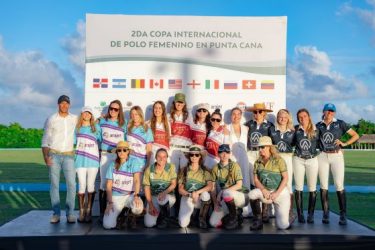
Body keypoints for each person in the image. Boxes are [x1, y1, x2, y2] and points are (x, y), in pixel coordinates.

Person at [316, 103, 359, 225]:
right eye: (327, 110)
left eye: (331, 111)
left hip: (337, 155)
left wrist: (344, 144)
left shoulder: (340, 123)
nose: (329, 113)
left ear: (334, 112)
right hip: (323, 155)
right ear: (323, 111)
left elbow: (355, 135)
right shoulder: (318, 125)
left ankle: (343, 214)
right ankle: (326, 213)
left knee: (339, 185)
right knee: (323, 185)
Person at [41, 95, 78, 223]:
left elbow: (87, 122)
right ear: (58, 104)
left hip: (69, 155)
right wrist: (46, 157)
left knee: (72, 185)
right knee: (54, 185)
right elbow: (45, 139)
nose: (64, 105)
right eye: (62, 103)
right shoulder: (51, 119)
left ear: (69, 105)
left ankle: (70, 214)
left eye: (66, 103)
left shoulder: (74, 118)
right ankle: (56, 214)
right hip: (54, 155)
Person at [249, 136, 290, 230]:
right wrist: (263, 190)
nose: (260, 149)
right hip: (266, 194)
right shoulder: (257, 162)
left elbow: (285, 178)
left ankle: (289, 218)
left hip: (280, 193)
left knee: (283, 226)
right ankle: (258, 221)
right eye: (259, 147)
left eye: (263, 147)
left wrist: (277, 193)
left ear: (269, 147)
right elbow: (256, 180)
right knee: (252, 194)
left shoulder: (279, 160)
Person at [103, 141, 144, 229]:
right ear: (117, 152)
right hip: (116, 197)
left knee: (138, 208)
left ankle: (129, 216)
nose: (122, 152)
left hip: (129, 195)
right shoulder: (112, 165)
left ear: (128, 151)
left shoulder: (134, 162)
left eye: (124, 150)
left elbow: (137, 180)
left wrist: (136, 196)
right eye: (119, 150)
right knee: (107, 225)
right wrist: (110, 202)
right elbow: (108, 186)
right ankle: (121, 215)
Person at [98, 100, 127, 221]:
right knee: (104, 184)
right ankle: (103, 214)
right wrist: (97, 120)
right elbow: (98, 136)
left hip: (118, 156)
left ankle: (120, 214)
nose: (113, 111)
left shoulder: (123, 124)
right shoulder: (102, 122)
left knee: (119, 183)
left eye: (116, 109)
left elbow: (126, 141)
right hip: (105, 155)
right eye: (111, 108)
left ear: (119, 111)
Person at [244, 103, 274, 221]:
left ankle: (265, 210)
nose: (257, 114)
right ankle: (254, 209)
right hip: (251, 153)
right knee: (253, 179)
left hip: (263, 153)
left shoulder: (270, 126)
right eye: (255, 112)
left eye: (260, 111)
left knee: (264, 178)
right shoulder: (248, 125)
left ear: (264, 113)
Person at [209, 144, 250, 230]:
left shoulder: (235, 166)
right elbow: (212, 187)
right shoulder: (215, 168)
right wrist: (215, 203)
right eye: (222, 152)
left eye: (227, 152)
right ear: (218, 154)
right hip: (226, 197)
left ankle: (234, 216)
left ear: (229, 154)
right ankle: (234, 216)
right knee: (213, 223)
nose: (224, 155)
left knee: (226, 193)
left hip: (241, 197)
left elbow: (239, 184)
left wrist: (222, 192)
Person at [74, 106, 101, 223]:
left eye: (89, 113)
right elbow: (73, 143)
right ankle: (81, 212)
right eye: (85, 113)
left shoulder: (96, 128)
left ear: (91, 115)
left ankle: (88, 211)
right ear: (82, 114)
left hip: (93, 161)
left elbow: (101, 141)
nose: (86, 115)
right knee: (81, 186)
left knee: (90, 186)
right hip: (80, 161)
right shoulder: (77, 128)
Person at [293, 108, 320, 224]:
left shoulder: (316, 130)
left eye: (304, 116)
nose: (302, 118)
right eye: (300, 117)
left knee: (312, 187)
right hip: (298, 159)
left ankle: (310, 214)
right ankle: (300, 214)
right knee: (298, 187)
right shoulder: (295, 129)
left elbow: (324, 142)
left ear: (308, 116)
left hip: (312, 160)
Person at [178, 145, 213, 229]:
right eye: (192, 155)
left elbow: (210, 186)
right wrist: (190, 195)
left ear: (200, 156)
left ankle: (202, 219)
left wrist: (196, 193)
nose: (194, 157)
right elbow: (180, 189)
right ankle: (192, 216)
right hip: (188, 198)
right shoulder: (183, 170)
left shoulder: (205, 170)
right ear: (189, 157)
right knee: (183, 224)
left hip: (199, 198)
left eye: (197, 155)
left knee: (206, 195)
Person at [270, 109, 295, 221]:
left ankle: (289, 211)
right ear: (277, 117)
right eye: (280, 116)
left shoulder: (293, 131)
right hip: (275, 158)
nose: (283, 119)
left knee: (288, 183)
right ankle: (273, 210)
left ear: (288, 118)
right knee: (274, 182)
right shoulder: (271, 129)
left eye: (285, 117)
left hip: (287, 158)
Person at [143, 148, 177, 228]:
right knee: (149, 224)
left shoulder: (171, 167)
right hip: (154, 197)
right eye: (159, 156)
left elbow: (173, 184)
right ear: (155, 157)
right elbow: (146, 188)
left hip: (168, 196)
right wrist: (150, 205)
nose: (162, 159)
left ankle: (164, 219)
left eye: (164, 157)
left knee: (162, 199)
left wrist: (164, 192)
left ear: (167, 158)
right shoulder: (149, 169)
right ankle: (159, 216)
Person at [227, 107, 250, 217]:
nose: (236, 116)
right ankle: (234, 208)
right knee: (233, 182)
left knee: (245, 181)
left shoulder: (246, 128)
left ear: (241, 116)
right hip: (232, 157)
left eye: (238, 114)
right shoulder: (226, 128)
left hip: (244, 157)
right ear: (231, 116)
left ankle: (245, 208)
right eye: (233, 114)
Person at [169, 93, 192, 173]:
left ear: (184, 104)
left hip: (185, 149)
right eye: (177, 102)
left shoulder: (189, 116)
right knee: (173, 174)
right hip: (172, 149)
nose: (179, 104)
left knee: (184, 175)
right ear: (174, 103)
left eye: (181, 102)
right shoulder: (168, 116)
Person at [127, 106, 153, 172]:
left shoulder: (147, 129)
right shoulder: (128, 128)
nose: (134, 116)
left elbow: (149, 149)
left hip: (141, 163)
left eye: (136, 114)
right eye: (132, 114)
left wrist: (147, 164)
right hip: (129, 162)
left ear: (140, 115)